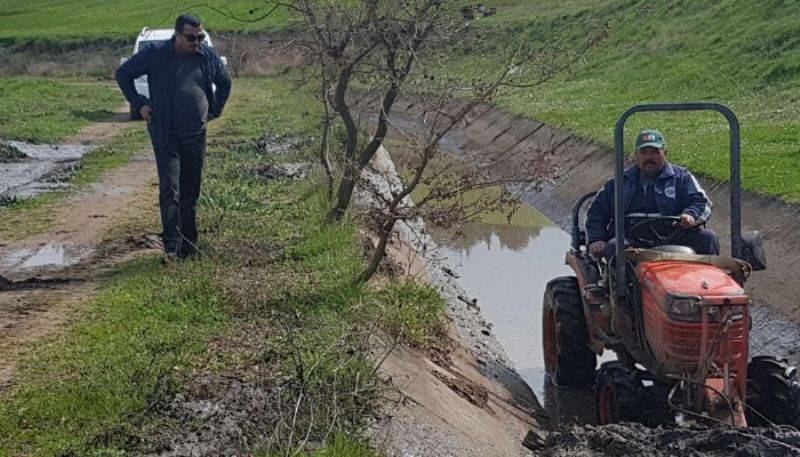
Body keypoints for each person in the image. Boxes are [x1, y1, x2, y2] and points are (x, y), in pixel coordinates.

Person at [115, 14, 232, 260]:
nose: (196, 42)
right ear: (178, 35)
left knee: (191, 192)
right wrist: (140, 104)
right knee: (171, 189)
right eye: (191, 38)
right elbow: (123, 74)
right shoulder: (156, 54)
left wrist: (215, 110)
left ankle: (189, 246)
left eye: (200, 37)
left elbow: (225, 82)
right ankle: (171, 248)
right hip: (166, 134)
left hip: (196, 135)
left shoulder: (206, 56)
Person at [586, 129, 719, 260]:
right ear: (636, 155)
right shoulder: (619, 182)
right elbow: (597, 212)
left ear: (665, 153)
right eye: (644, 153)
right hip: (632, 240)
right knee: (614, 246)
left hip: (674, 236)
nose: (649, 158)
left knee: (708, 238)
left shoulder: (682, 177)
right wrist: (597, 238)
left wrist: (691, 214)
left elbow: (702, 202)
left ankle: (707, 281)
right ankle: (620, 281)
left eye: (655, 152)